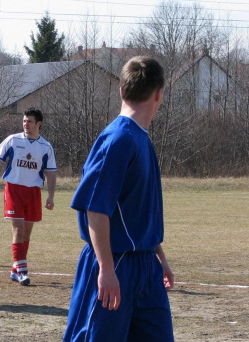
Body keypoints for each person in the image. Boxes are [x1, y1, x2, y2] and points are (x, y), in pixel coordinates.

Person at [63, 56, 174, 341]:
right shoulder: (118, 139)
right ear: (159, 93)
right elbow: (95, 209)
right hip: (116, 264)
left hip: (145, 265)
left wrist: (158, 256)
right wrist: (107, 269)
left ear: (122, 91)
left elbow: (137, 209)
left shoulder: (142, 139)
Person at [0, 108, 57, 286]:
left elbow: (51, 173)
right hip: (14, 190)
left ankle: (15, 268)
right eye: (24, 121)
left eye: (30, 121)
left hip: (33, 192)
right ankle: (23, 272)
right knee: (18, 229)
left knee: (26, 233)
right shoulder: (13, 140)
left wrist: (51, 196)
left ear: (38, 124)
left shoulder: (46, 147)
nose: (26, 124)